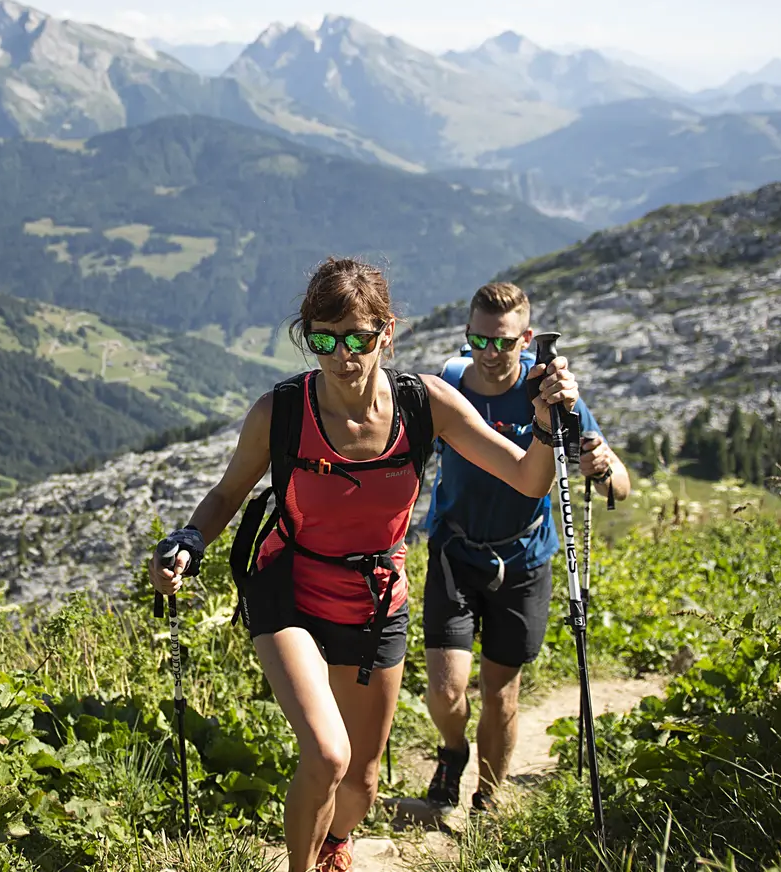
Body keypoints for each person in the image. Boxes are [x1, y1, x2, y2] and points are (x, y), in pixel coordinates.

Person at [148, 259, 583, 872]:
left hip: (377, 600)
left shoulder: (424, 404)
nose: (341, 355)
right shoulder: (282, 412)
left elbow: (528, 477)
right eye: (323, 339)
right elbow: (227, 494)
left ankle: (334, 842)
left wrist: (544, 422)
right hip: (291, 588)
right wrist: (189, 541)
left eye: (356, 338)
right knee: (327, 755)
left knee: (361, 783)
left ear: (386, 333)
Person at [418, 282, 631, 819]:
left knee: (501, 692)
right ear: (467, 335)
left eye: (505, 343)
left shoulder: (555, 398)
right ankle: (452, 749)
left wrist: (601, 467)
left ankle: (488, 798)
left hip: (525, 559)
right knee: (445, 691)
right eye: (479, 340)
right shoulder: (448, 383)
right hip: (455, 551)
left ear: (528, 339)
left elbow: (620, 486)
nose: (490, 354)